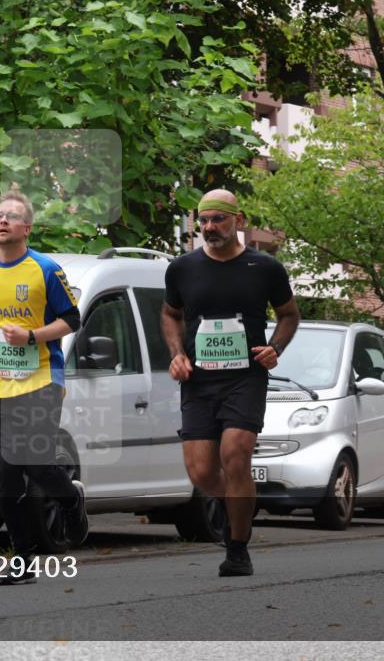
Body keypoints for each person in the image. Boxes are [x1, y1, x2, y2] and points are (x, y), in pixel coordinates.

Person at [161, 189, 299, 577]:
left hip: (245, 378)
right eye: (203, 221)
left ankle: (237, 548)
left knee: (235, 455)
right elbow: (170, 314)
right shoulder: (182, 268)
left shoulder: (265, 267)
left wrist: (275, 348)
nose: (209, 227)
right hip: (198, 381)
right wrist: (177, 354)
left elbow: (289, 315)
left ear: (238, 220)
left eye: (218, 219)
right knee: (202, 472)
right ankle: (236, 506)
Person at [0, 189, 89, 586]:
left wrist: (33, 336)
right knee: (7, 474)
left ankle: (70, 499)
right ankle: (21, 559)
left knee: (35, 464)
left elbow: (72, 320)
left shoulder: (45, 270)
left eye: (12, 216)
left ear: (27, 228)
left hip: (41, 378)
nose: (2, 220)